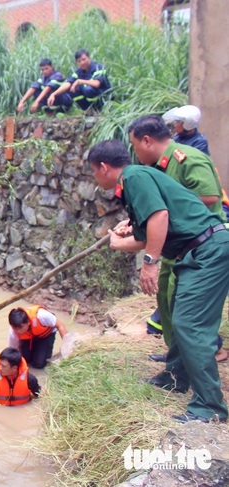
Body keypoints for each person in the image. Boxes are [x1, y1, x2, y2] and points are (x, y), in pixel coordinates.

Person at [88, 139, 229, 423]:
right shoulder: (138, 180)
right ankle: (175, 377)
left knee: (191, 325)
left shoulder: (134, 177)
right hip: (196, 251)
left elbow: (159, 217)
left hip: (207, 251)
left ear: (103, 167)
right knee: (178, 316)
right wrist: (117, 241)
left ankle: (210, 407)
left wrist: (150, 265)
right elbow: (146, 236)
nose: (94, 177)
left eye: (93, 171)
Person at [126, 115, 227, 364]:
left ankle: (209, 351)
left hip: (202, 244)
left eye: (135, 145)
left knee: (188, 305)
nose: (135, 152)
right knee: (166, 298)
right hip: (176, 247)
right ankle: (177, 355)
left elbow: (209, 195)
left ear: (147, 141)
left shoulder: (188, 158)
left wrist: (169, 206)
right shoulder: (158, 167)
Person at [7, 305, 68, 369]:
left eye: (20, 327)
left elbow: (60, 325)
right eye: (15, 328)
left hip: (45, 335)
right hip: (28, 338)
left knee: (39, 364)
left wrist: (66, 346)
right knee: (25, 361)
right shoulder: (13, 332)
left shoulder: (42, 315)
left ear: (28, 322)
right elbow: (13, 350)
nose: (18, 331)